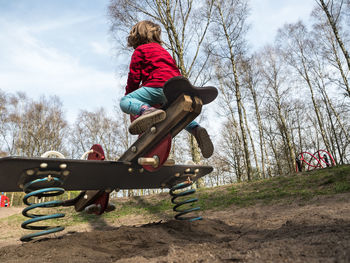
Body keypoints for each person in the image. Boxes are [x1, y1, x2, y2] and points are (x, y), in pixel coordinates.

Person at [119, 20, 214, 158]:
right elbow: (174, 71)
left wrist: (132, 100)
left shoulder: (140, 51)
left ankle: (146, 110)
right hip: (174, 89)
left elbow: (134, 78)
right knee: (174, 111)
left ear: (137, 36)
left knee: (124, 101)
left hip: (156, 86)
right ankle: (196, 129)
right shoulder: (164, 51)